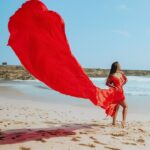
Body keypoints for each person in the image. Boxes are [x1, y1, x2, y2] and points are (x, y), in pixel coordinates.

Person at [106, 61, 128, 127]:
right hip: (119, 92)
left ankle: (113, 123)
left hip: (116, 91)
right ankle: (123, 121)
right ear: (117, 66)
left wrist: (115, 86)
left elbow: (107, 83)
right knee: (125, 106)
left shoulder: (113, 75)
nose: (120, 66)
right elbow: (126, 80)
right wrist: (120, 86)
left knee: (116, 107)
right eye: (119, 65)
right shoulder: (118, 74)